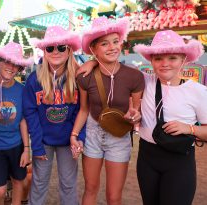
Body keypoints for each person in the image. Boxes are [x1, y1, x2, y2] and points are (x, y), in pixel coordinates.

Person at [70, 16, 144, 205]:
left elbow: (136, 110)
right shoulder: (85, 77)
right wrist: (74, 134)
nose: (112, 47)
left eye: (115, 42)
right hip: (93, 135)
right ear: (93, 49)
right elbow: (84, 110)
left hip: (119, 138)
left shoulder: (134, 76)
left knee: (113, 196)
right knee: (90, 190)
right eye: (104, 44)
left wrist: (134, 115)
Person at [134, 30, 207, 205]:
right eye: (158, 58)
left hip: (179, 161)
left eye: (172, 58)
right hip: (147, 158)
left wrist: (189, 128)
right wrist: (91, 64)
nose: (165, 64)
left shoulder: (198, 91)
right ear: (151, 61)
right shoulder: (144, 81)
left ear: (184, 60)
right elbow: (114, 71)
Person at [22, 25, 87, 205]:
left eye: (61, 47)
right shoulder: (34, 79)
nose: (55, 51)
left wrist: (79, 137)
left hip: (68, 141)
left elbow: (83, 110)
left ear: (69, 50)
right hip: (43, 141)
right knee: (39, 182)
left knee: (68, 184)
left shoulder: (78, 78)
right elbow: (30, 113)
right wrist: (36, 143)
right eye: (50, 48)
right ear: (44, 51)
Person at [0, 42, 31, 205]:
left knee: (19, 182)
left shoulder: (22, 90)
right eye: (7, 61)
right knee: (0, 190)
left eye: (16, 64)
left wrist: (26, 149)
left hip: (16, 146)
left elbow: (23, 119)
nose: (11, 67)